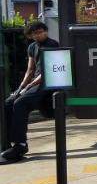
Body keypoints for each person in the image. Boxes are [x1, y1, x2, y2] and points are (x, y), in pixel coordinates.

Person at [1, 21, 59, 163]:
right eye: (35, 33)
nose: (38, 34)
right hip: (34, 82)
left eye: (40, 31)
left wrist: (31, 85)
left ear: (45, 31)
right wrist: (20, 88)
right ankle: (7, 144)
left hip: (48, 82)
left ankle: (21, 144)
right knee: (8, 103)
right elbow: (30, 69)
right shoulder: (32, 47)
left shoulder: (52, 45)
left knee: (21, 103)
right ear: (30, 36)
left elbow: (48, 70)